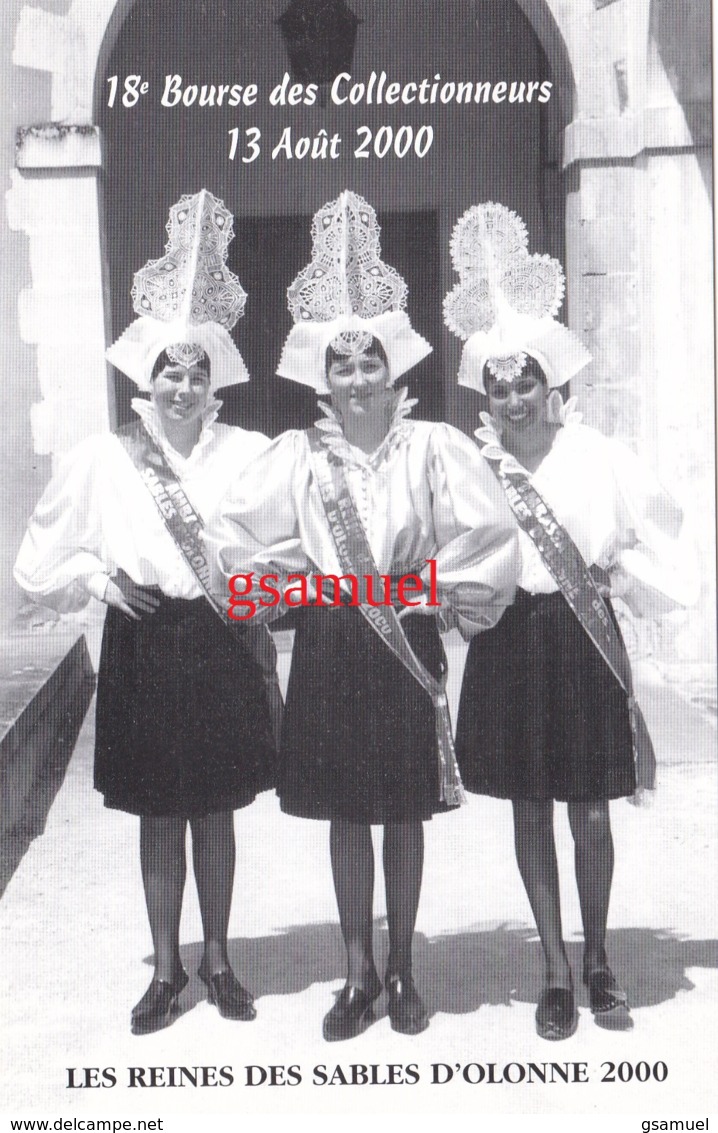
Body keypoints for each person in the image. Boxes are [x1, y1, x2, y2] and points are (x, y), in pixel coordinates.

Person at [211, 191, 517, 1041]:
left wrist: (446, 590)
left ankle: (407, 971)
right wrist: (284, 591)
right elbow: (236, 535)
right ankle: (357, 972)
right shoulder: (298, 458)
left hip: (405, 636)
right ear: (323, 374)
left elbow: (488, 535)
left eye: (369, 362)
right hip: (333, 640)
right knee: (348, 811)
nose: (355, 378)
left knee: (404, 808)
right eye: (341, 365)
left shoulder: (433, 449)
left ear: (395, 369)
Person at [14, 191, 276, 1035]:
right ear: (145, 374)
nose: (184, 383)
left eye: (198, 371)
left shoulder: (246, 453)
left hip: (220, 639)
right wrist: (96, 580)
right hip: (145, 640)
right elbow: (38, 558)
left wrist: (259, 583)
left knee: (218, 809)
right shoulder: (102, 458)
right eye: (170, 368)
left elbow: (284, 537)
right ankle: (166, 970)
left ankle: (221, 960)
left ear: (216, 379)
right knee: (160, 813)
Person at [444, 202, 693, 1040]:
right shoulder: (477, 467)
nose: (514, 395)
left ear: (555, 385)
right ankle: (551, 966)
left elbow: (663, 533)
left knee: (590, 809)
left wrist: (623, 569)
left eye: (527, 380)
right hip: (511, 641)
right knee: (529, 808)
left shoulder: (601, 456)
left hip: (583, 640)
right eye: (498, 384)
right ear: (486, 391)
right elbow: (452, 552)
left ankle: (598, 959)